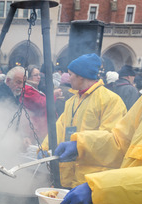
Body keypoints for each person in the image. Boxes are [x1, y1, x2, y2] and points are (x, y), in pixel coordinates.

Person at [40, 53, 127, 188]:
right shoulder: (72, 101)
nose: (68, 78)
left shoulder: (111, 100)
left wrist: (79, 144)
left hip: (91, 180)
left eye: (70, 74)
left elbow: (112, 138)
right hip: (68, 176)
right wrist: (45, 147)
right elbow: (60, 127)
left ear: (80, 75)